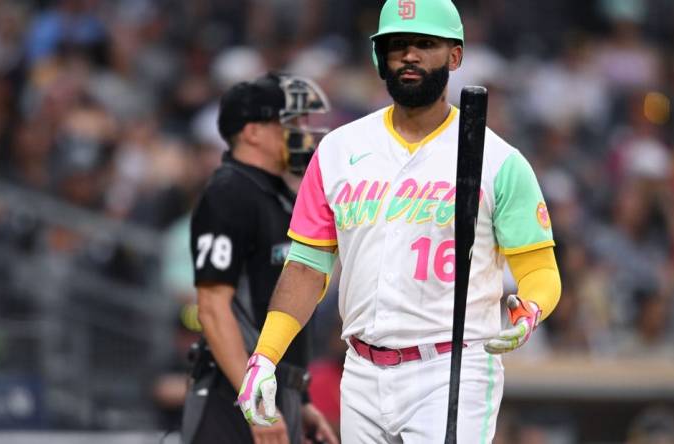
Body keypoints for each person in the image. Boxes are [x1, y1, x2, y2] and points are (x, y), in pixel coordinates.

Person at [237, 1, 562, 442]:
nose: (409, 55)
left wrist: (531, 308)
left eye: (425, 44)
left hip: (452, 369)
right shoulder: (338, 150)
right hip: (361, 371)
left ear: (455, 56)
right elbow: (306, 267)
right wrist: (265, 356)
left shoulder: (498, 160)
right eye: (397, 45)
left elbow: (539, 268)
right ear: (379, 58)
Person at [182, 73, 338, 444]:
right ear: (253, 132)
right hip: (235, 396)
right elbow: (212, 307)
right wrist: (258, 405)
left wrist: (299, 398)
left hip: (274, 390)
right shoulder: (229, 192)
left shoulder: (275, 195)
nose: (303, 131)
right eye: (290, 121)